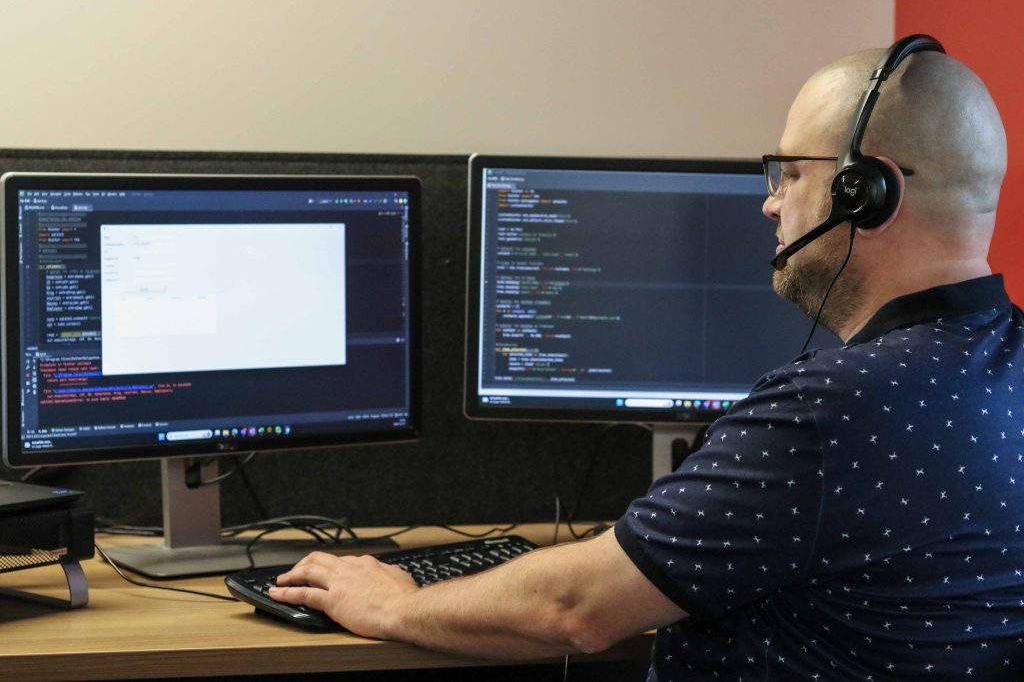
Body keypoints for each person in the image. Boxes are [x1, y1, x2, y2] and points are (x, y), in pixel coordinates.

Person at [270, 42, 1023, 679]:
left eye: (789, 171)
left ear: (867, 193)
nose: (770, 203)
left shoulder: (832, 411)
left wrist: (393, 601)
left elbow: (577, 610)